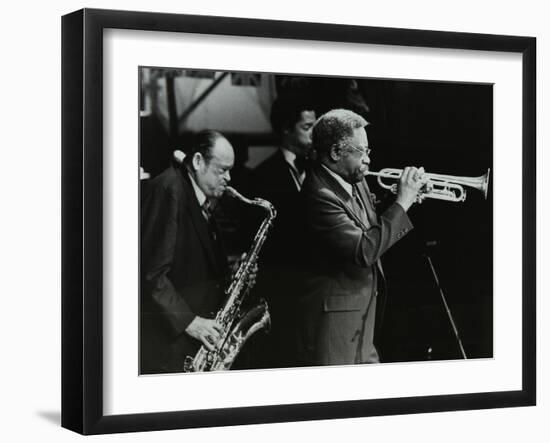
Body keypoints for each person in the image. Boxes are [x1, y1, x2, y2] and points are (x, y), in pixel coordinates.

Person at [298, 108, 426, 366]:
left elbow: (367, 222)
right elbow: (363, 250)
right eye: (362, 151)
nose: (368, 159)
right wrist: (402, 202)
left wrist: (404, 198)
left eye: (368, 151)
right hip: (336, 329)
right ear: (336, 153)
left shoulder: (354, 180)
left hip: (363, 323)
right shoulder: (318, 194)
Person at [140, 130, 234, 374]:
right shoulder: (168, 190)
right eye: (222, 170)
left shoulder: (195, 193)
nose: (229, 178)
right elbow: (152, 274)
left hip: (188, 341)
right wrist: (191, 322)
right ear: (198, 161)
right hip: (169, 346)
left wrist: (231, 270)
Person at [249, 94, 316, 368]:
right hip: (283, 296)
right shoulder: (260, 177)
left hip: (317, 294)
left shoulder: (319, 170)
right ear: (286, 129)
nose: (314, 135)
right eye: (307, 127)